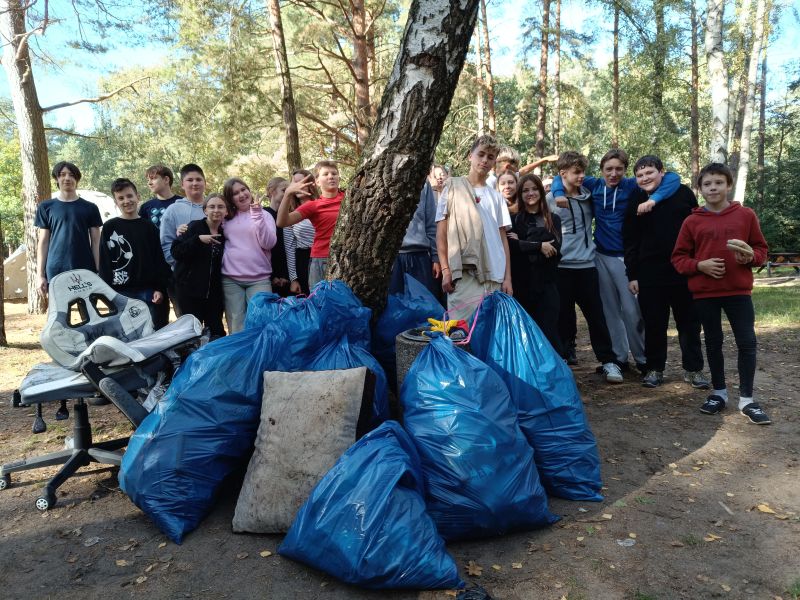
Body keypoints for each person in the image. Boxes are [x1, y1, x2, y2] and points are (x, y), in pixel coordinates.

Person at [551, 149, 681, 372]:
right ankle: (619, 358)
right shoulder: (593, 185)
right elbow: (560, 176)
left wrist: (654, 200)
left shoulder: (631, 185)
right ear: (601, 170)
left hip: (627, 257)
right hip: (600, 256)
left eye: (619, 169)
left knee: (632, 311)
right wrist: (556, 192)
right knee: (609, 311)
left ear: (625, 170)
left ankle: (642, 359)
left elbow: (673, 178)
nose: (613, 173)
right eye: (608, 169)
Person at [672, 163, 770, 424]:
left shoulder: (745, 215)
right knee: (713, 342)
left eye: (718, 182)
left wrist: (750, 257)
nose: (713, 187)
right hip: (705, 294)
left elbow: (761, 251)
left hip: (738, 291)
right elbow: (679, 258)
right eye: (707, 184)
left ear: (728, 185)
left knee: (746, 342)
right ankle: (719, 393)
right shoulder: (692, 221)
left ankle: (747, 399)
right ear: (700, 188)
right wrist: (699, 265)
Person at [623, 156, 707, 389]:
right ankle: (654, 369)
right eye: (639, 175)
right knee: (654, 323)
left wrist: (697, 264)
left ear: (662, 172)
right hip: (650, 272)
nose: (645, 178)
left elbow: (697, 230)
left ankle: (694, 370)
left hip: (683, 270)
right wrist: (632, 274)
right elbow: (630, 239)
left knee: (689, 323)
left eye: (649, 172)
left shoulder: (682, 193)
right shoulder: (635, 198)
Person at [547, 151, 622, 383]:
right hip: (561, 267)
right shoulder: (550, 199)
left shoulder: (589, 196)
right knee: (563, 317)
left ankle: (609, 361)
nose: (581, 176)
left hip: (587, 265)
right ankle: (563, 359)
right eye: (576, 172)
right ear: (563, 174)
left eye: (583, 172)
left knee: (596, 315)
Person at [435, 134, 513, 321]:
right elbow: (441, 233)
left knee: (490, 337)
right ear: (470, 156)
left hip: (495, 276)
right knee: (460, 334)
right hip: (465, 275)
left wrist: (507, 278)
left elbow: (503, 239)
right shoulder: (451, 188)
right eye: (481, 154)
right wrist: (446, 271)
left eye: (491, 157)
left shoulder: (496, 197)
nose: (485, 160)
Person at [100, 178, 171, 328]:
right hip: (120, 291)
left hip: (149, 291)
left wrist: (160, 288)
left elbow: (158, 259)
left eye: (129, 196)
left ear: (137, 197)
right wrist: (107, 292)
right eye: (121, 198)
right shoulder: (109, 227)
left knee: (154, 331)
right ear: (116, 202)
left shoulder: (149, 227)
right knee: (127, 334)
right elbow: (105, 261)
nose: (126, 201)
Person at [507, 173, 562, 354]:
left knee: (549, 329)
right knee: (524, 333)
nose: (530, 193)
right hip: (522, 284)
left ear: (541, 191)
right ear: (520, 194)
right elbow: (511, 247)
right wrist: (539, 245)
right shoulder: (513, 219)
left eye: (534, 189)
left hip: (547, 283)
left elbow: (555, 247)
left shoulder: (553, 219)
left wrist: (524, 242)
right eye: (525, 190)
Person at [35, 161, 103, 296]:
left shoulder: (90, 208)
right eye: (62, 174)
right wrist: (40, 275)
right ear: (57, 178)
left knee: (90, 312)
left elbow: (96, 242)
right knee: (57, 314)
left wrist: (99, 270)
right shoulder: (46, 207)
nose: (67, 178)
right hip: (55, 268)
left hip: (85, 268)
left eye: (72, 175)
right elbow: (43, 242)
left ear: (76, 179)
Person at [219, 177, 277, 333]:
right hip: (231, 279)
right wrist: (185, 229)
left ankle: (261, 356)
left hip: (259, 278)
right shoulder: (226, 218)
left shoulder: (265, 215)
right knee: (236, 323)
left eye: (243, 189)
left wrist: (257, 215)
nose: (241, 194)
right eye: (235, 193)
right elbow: (207, 226)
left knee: (261, 322)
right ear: (230, 199)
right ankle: (240, 357)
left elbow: (269, 243)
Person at [276, 160, 343, 288]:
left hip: (346, 257)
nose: (331, 176)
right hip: (321, 260)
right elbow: (281, 222)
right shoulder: (313, 206)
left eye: (334, 173)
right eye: (325, 174)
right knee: (319, 304)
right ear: (317, 182)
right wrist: (288, 193)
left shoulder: (350, 198)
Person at [171, 194, 227, 340]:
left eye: (220, 206)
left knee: (215, 332)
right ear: (205, 211)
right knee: (190, 335)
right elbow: (176, 252)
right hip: (189, 291)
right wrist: (198, 240)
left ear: (226, 211)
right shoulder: (194, 227)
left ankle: (213, 362)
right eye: (212, 206)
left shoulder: (225, 232)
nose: (216, 210)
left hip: (213, 294)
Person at [160, 163, 209, 314]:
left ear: (204, 183)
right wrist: (180, 267)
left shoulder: (215, 206)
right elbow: (166, 242)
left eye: (198, 179)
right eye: (190, 180)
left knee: (213, 326)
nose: (195, 183)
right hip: (184, 281)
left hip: (211, 280)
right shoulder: (173, 210)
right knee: (188, 328)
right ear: (182, 184)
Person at [388, 180, 440, 297]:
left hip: (419, 256)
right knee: (394, 307)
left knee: (424, 305)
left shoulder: (423, 183)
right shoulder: (383, 179)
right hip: (391, 257)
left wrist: (435, 257)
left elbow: (431, 222)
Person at [282, 169, 317, 295]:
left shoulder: (322, 205)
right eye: (294, 183)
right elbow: (290, 248)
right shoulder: (289, 215)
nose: (298, 186)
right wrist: (293, 279)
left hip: (326, 257)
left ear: (311, 184)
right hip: (303, 261)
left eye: (301, 181)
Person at [263, 177, 290, 297]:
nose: (288, 193)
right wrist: (272, 276)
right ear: (272, 191)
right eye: (284, 190)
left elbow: (289, 247)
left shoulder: (291, 216)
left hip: (288, 274)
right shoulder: (262, 214)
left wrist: (286, 275)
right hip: (268, 274)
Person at [139, 165, 182, 229]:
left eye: (153, 178)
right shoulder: (145, 207)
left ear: (166, 179)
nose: (149, 183)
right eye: (148, 180)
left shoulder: (183, 203)